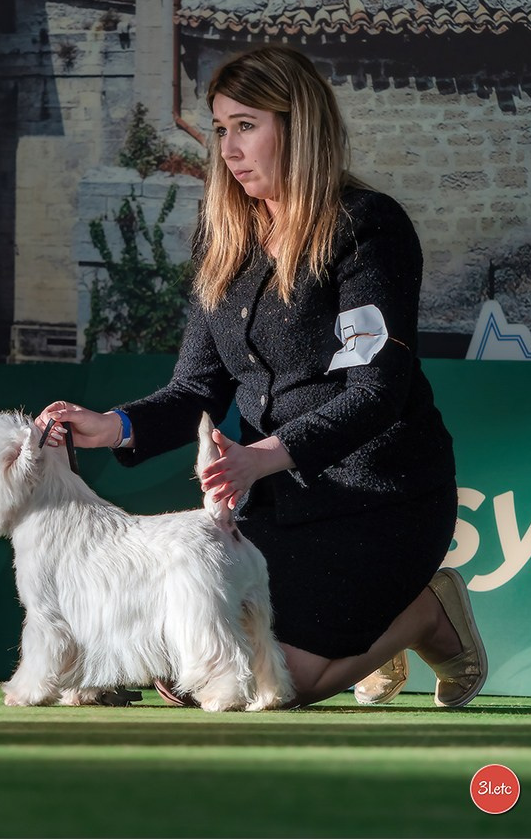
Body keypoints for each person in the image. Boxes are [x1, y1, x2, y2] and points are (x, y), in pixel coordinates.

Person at [36, 45, 488, 709]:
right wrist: (110, 427)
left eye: (246, 125)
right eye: (220, 128)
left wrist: (260, 458)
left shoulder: (366, 226)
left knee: (268, 682)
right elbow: (197, 389)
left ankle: (422, 613)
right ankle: (362, 630)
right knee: (186, 680)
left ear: (298, 126)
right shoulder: (221, 240)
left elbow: (376, 392)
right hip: (271, 505)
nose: (228, 147)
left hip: (381, 500)